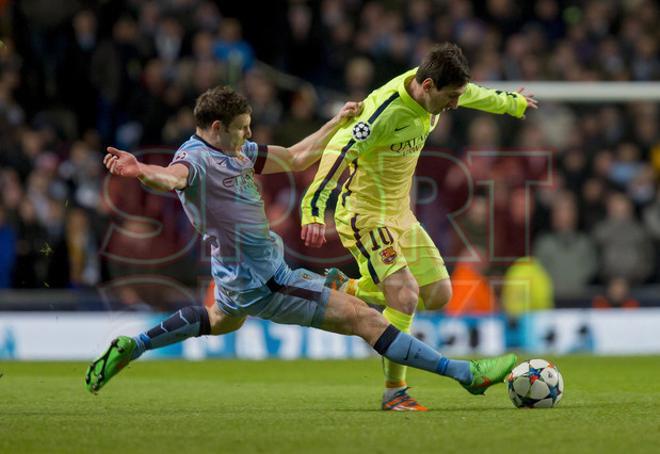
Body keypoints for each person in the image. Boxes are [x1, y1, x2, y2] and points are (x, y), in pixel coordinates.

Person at [85, 86, 517, 404]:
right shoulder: (194, 159)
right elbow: (171, 178)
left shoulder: (235, 151)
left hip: (235, 275)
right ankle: (464, 374)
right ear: (217, 128)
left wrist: (336, 123)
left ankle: (135, 345)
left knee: (221, 320)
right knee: (364, 319)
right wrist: (141, 169)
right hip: (267, 280)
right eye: (242, 129)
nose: (249, 134)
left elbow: (294, 157)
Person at [300, 43, 536, 411]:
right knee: (405, 296)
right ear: (427, 85)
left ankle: (344, 287)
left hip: (401, 215)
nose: (456, 104)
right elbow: (338, 149)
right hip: (365, 214)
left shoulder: (437, 92)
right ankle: (395, 393)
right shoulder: (383, 110)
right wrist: (313, 208)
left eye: (458, 95)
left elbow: (472, 93)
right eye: (450, 97)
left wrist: (511, 103)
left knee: (439, 293)